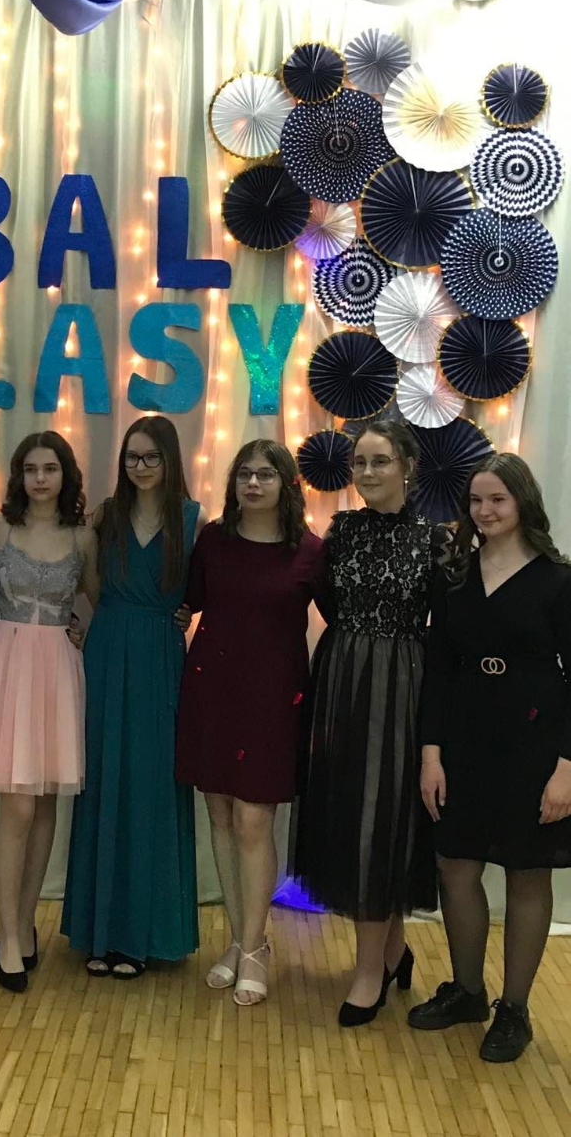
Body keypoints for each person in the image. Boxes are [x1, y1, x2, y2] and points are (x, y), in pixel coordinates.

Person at [409, 454, 571, 1063]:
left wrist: (567, 767)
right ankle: (468, 991)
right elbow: (439, 671)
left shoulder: (559, 580)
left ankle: (515, 1010)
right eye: (476, 500)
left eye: (497, 499)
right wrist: (431, 754)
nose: (485, 510)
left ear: (522, 502)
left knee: (528, 874)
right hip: (465, 739)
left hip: (535, 746)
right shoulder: (454, 578)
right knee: (455, 866)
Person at [291, 420, 443, 1026]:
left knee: (385, 822)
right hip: (341, 681)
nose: (368, 472)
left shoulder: (434, 539)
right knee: (353, 813)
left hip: (400, 688)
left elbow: (448, 626)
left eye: (380, 461)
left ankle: (369, 972)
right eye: (360, 463)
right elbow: (326, 600)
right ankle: (395, 951)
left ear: (407, 466)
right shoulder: (342, 530)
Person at [176, 440, 327, 1005]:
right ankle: (240, 942)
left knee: (253, 823)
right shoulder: (213, 540)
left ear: (286, 484)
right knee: (219, 814)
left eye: (265, 474)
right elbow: (187, 605)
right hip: (212, 689)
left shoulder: (309, 551)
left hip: (274, 698)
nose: (254, 484)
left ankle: (256, 947)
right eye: (245, 474)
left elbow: (341, 621)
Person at [61, 416, 205, 979]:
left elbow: (205, 589)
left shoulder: (193, 520)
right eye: (132, 457)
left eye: (151, 457)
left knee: (152, 787)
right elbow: (87, 583)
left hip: (161, 658)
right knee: (103, 782)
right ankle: (100, 932)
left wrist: (184, 615)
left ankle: (145, 936)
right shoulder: (105, 516)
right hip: (107, 651)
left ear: (170, 460)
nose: (140, 467)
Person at [0, 431, 99, 992]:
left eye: (50, 468)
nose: (40, 478)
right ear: (18, 475)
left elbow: (98, 599)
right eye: (30, 469)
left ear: (66, 475)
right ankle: (5, 932)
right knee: (17, 807)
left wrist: (84, 629)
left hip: (57, 667)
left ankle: (24, 924)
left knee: (45, 804)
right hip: (8, 664)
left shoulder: (83, 535)